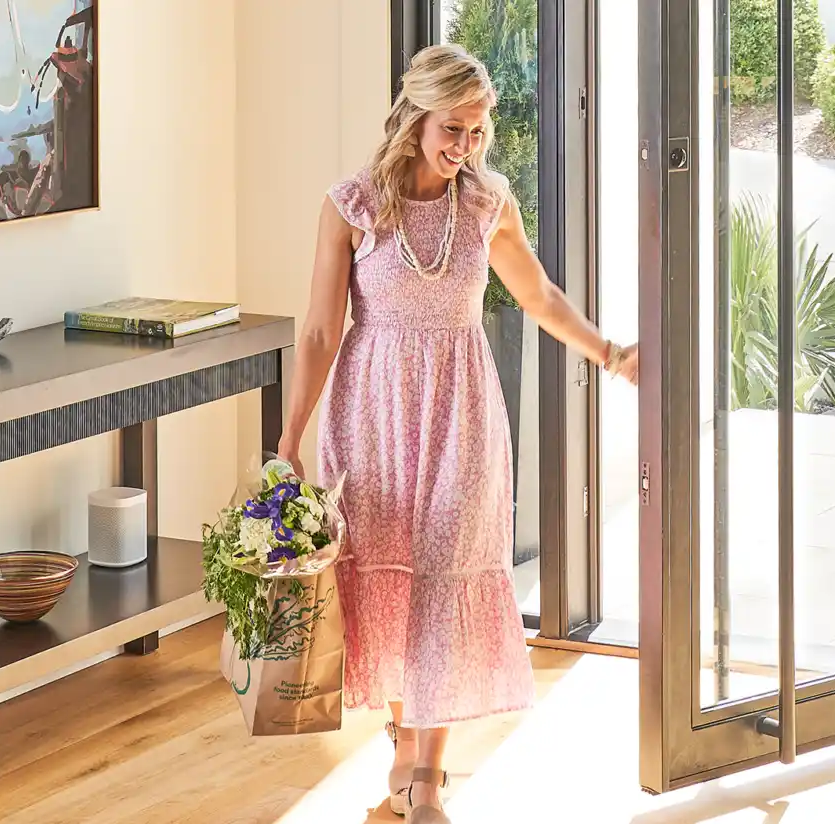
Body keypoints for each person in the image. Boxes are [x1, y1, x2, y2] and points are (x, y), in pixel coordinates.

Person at [275, 44, 638, 824]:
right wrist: (288, 438)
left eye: (477, 132)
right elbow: (319, 332)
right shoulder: (352, 207)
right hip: (371, 417)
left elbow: (539, 296)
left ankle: (426, 777)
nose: (465, 146)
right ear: (415, 117)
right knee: (386, 582)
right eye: (453, 129)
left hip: (463, 417)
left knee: (444, 577)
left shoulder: (486, 205)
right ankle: (405, 744)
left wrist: (610, 354)